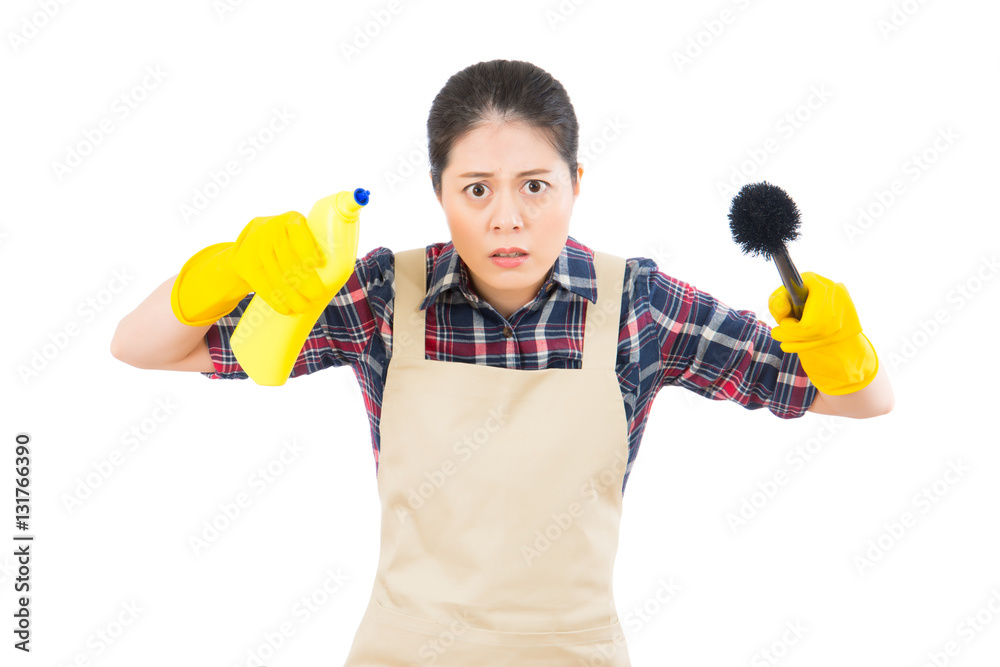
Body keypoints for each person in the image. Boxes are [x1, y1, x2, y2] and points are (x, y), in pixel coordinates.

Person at [111, 59, 893, 665]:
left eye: (535, 186)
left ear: (576, 185)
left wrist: (837, 344)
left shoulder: (637, 306)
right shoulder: (385, 294)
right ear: (439, 191)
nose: (507, 218)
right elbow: (143, 347)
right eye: (477, 189)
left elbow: (861, 401)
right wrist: (223, 271)